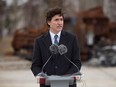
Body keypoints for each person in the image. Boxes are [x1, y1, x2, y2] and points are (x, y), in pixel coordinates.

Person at [31, 7, 81, 87]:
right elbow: (35, 65)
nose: (60, 22)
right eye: (56, 20)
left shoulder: (72, 39)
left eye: (61, 19)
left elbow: (77, 62)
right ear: (49, 22)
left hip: (68, 83)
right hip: (47, 84)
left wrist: (67, 76)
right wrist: (40, 74)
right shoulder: (39, 41)